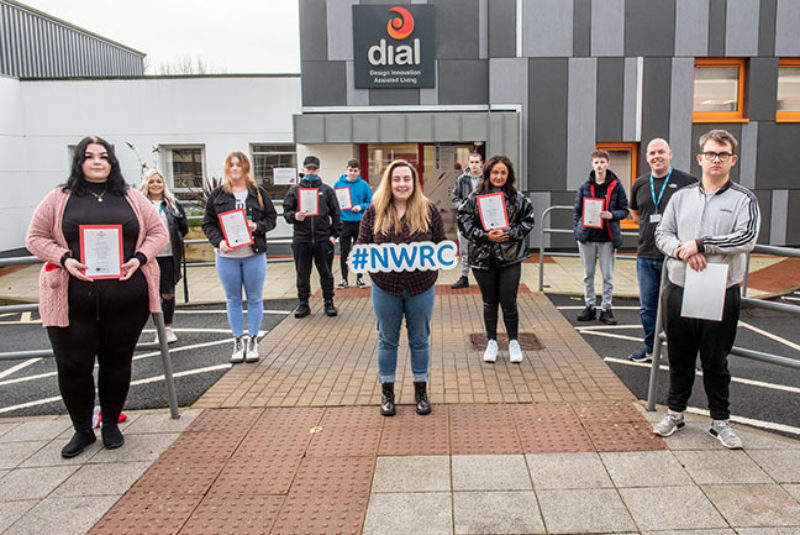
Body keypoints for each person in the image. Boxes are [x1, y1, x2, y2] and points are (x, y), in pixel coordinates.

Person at [26, 135, 168, 458]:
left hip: (125, 299)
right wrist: (64, 258)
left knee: (117, 361)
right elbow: (34, 238)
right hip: (71, 300)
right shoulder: (59, 198)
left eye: (104, 156)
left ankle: (111, 424)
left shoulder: (131, 196)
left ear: (112, 162)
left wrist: (139, 258)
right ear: (79, 162)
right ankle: (82, 430)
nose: (97, 162)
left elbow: (158, 232)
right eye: (89, 157)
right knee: (73, 365)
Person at [653, 129, 760, 449]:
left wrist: (700, 245)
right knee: (679, 355)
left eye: (723, 154)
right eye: (711, 153)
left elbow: (747, 238)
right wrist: (680, 250)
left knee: (716, 359)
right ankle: (675, 413)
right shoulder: (681, 197)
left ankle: (720, 422)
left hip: (721, 289)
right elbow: (662, 235)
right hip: (680, 286)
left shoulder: (744, 199)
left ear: (732, 160)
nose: (716, 159)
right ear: (700, 158)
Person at [356, 159, 445, 417]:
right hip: (385, 287)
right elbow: (362, 243)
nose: (402, 184)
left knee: (419, 340)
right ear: (389, 182)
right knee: (387, 339)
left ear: (414, 182)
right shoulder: (374, 211)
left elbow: (441, 244)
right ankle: (387, 393)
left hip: (421, 286)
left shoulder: (429, 210)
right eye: (397, 179)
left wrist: (447, 256)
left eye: (407, 179)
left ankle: (420, 392)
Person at [458, 155, 535, 363]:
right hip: (483, 258)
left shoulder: (518, 198)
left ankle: (513, 342)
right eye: (495, 172)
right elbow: (464, 222)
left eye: (503, 172)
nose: (498, 176)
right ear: (487, 173)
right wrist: (485, 236)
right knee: (489, 302)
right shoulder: (475, 198)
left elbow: (528, 220)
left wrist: (510, 233)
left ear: (508, 175)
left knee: (509, 302)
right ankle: (491, 341)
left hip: (510, 256)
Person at [203, 152, 277, 364]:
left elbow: (271, 219)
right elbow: (208, 223)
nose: (235, 168)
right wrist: (219, 242)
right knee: (233, 299)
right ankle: (237, 341)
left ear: (245, 168)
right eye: (231, 165)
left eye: (239, 165)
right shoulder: (218, 195)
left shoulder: (258, 193)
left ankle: (253, 340)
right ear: (227, 168)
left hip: (253, 254)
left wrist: (257, 227)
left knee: (254, 297)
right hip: (227, 256)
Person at [628, 139, 697, 362]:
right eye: (652, 153)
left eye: (661, 152)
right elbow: (636, 214)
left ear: (670, 154)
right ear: (647, 157)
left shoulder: (687, 182)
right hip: (646, 254)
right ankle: (649, 347)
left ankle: (681, 353)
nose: (656, 156)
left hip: (676, 257)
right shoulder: (639, 183)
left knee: (678, 307)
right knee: (648, 307)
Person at [573, 150, 629, 325]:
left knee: (607, 276)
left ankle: (606, 309)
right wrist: (577, 230)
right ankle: (589, 306)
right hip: (588, 237)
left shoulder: (616, 186)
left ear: (608, 164)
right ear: (592, 164)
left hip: (607, 238)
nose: (599, 166)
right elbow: (577, 211)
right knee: (588, 274)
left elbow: (625, 210)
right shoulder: (584, 187)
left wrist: (611, 215)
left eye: (602, 162)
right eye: (596, 162)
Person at [283, 155, 342, 318]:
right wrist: (295, 215)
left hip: (323, 238)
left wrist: (333, 235)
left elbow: (336, 214)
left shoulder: (327, 190)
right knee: (302, 273)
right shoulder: (294, 191)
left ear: (318, 169)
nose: (311, 171)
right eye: (308, 168)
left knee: (326, 273)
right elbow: (286, 212)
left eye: (314, 168)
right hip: (302, 238)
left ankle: (329, 303)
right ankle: (303, 304)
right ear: (303, 169)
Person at [139, 169, 188, 344]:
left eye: (159, 181)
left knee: (167, 293)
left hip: (168, 255)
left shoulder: (173, 204)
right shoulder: (140, 205)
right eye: (152, 181)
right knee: (152, 293)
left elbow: (184, 228)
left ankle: (167, 327)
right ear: (146, 184)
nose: (155, 185)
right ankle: (157, 329)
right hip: (148, 257)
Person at [334, 159, 372, 289]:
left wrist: (360, 207)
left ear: (359, 171)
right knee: (344, 251)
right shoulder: (338, 185)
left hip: (359, 222)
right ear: (346, 170)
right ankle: (344, 278)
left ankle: (359, 278)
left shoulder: (364, 185)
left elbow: (370, 202)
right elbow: (333, 203)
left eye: (355, 171)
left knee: (359, 250)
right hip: (344, 222)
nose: (353, 173)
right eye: (350, 170)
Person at [450, 152, 483, 289]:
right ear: (468, 163)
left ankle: (484, 279)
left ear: (481, 163)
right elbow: (454, 198)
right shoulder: (462, 180)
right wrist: (462, 206)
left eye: (476, 162)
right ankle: (464, 277)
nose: (474, 165)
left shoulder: (486, 180)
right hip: (465, 219)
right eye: (472, 162)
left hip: (482, 220)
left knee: (482, 249)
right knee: (464, 251)